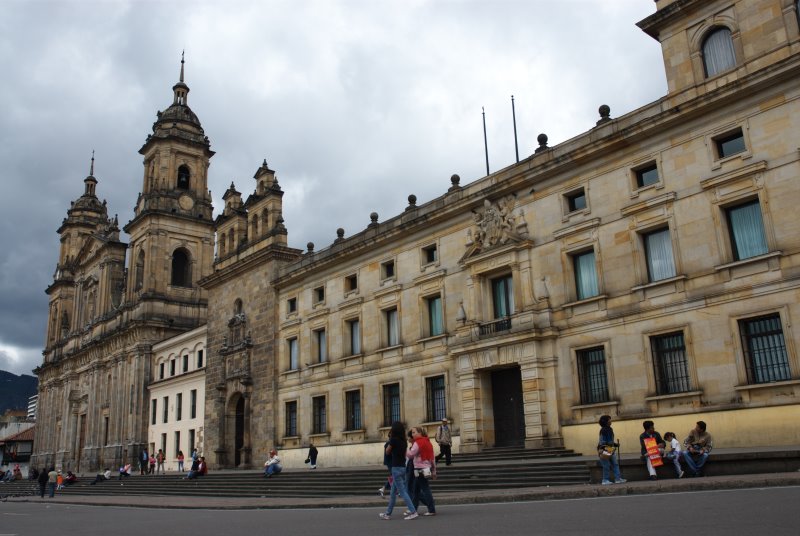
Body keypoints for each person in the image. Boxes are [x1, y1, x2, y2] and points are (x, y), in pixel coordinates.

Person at [379, 421, 418, 520]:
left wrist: (390, 444)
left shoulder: (393, 440)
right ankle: (387, 514)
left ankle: (413, 511)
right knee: (393, 493)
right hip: (402, 467)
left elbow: (387, 452)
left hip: (396, 467)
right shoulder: (404, 441)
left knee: (403, 492)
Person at [407, 426, 437, 516]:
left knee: (425, 489)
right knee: (416, 490)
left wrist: (406, 450)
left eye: (414, 432)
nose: (412, 435)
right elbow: (432, 458)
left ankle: (431, 509)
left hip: (419, 468)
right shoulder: (427, 441)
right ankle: (414, 509)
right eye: (412, 433)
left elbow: (411, 455)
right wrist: (434, 470)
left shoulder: (417, 443)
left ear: (420, 433)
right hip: (426, 468)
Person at [597, 415, 626, 485]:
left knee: (615, 464)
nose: (611, 420)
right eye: (609, 419)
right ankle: (605, 480)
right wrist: (607, 447)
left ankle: (618, 478)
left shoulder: (610, 429)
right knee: (607, 465)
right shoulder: (603, 430)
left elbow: (610, 440)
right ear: (606, 421)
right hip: (605, 449)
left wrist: (615, 444)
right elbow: (602, 441)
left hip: (610, 448)